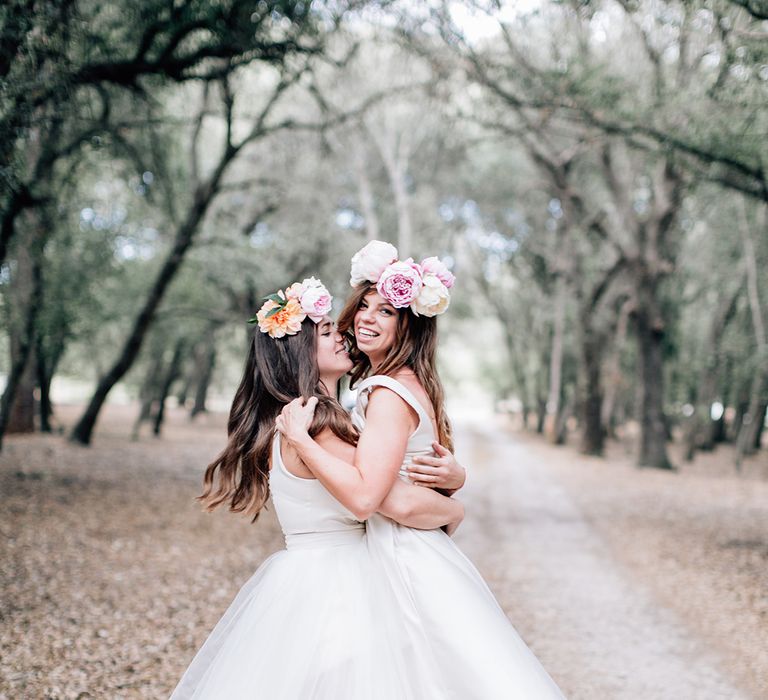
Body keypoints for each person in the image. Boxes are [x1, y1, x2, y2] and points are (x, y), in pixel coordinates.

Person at [277, 242, 567, 699]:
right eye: (364, 307)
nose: (367, 319)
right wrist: (455, 497)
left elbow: (370, 496)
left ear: (408, 325)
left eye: (387, 312)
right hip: (400, 548)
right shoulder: (393, 385)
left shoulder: (387, 391)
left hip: (403, 554)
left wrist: (455, 507)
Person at [169, 277, 464, 700]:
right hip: (338, 585)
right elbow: (385, 499)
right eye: (326, 332)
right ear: (300, 354)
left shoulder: (299, 418)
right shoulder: (317, 425)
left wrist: (456, 476)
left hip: (309, 577)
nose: (342, 335)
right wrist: (455, 510)